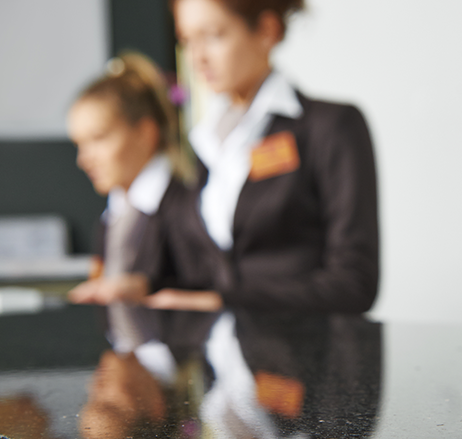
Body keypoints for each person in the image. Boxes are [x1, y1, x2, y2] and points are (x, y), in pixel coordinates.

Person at [128, 0, 379, 314]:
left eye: (213, 36)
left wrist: (225, 302)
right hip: (221, 358)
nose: (197, 58)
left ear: (266, 31)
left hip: (308, 357)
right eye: (187, 41)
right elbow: (207, 273)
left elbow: (354, 284)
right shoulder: (204, 145)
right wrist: (142, 286)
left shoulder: (330, 128)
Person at [66, 52, 200, 305]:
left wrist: (147, 289)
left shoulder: (188, 209)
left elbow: (212, 285)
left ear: (145, 133)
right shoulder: (114, 215)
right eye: (79, 144)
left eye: (98, 138)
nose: (83, 160)